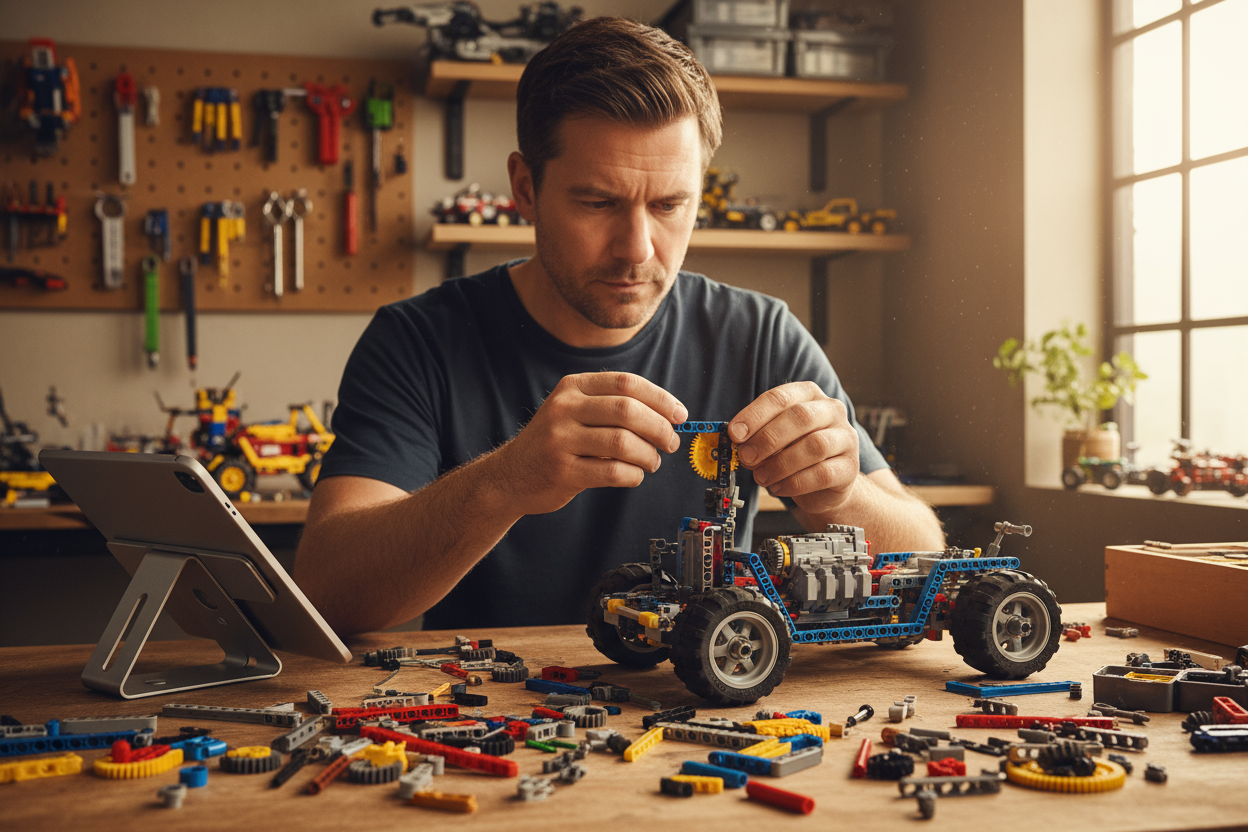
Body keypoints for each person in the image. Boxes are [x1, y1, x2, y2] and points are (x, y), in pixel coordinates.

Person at [293, 17, 943, 637]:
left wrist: (844, 497)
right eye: (598, 202)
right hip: (494, 718)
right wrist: (505, 483)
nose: (637, 248)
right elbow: (326, 589)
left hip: (702, 698)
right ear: (524, 187)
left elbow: (926, 555)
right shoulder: (417, 341)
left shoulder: (762, 335)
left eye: (669, 205)